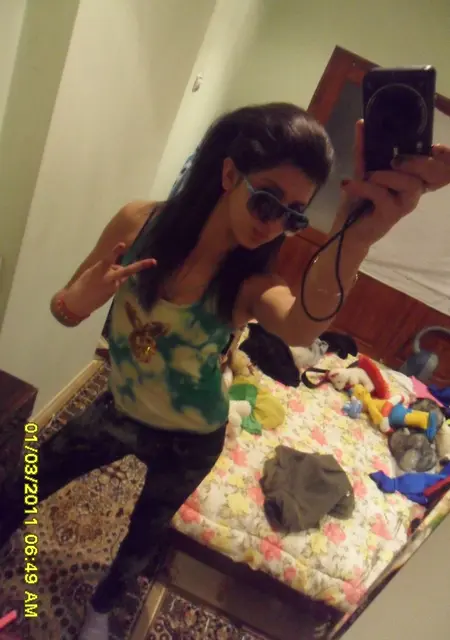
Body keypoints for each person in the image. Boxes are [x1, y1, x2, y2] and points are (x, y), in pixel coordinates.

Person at [1, 103, 449, 639]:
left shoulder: (250, 284)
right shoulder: (138, 223)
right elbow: (64, 310)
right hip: (119, 407)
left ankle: (102, 608)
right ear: (230, 173)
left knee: (143, 536)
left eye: (293, 215)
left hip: (191, 439)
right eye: (266, 200)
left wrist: (356, 238)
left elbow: (302, 326)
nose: (273, 224)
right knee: (24, 481)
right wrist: (76, 301)